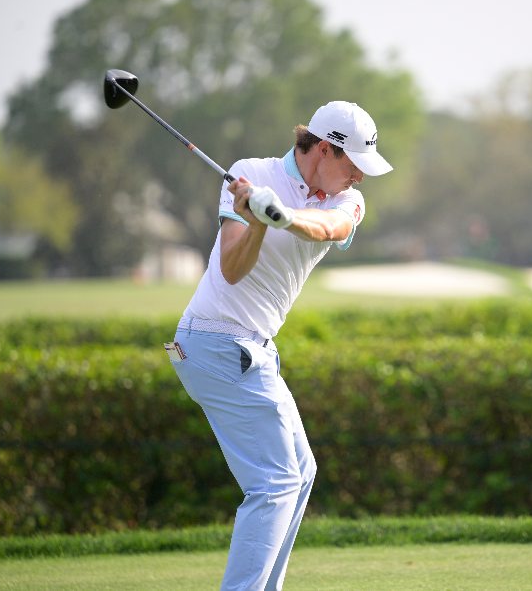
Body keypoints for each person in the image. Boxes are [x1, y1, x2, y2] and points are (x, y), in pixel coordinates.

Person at [166, 101, 393, 590]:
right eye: (353, 164)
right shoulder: (251, 173)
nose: (359, 177)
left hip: (251, 348)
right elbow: (231, 268)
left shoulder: (345, 201)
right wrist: (257, 220)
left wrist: (285, 217)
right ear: (327, 150)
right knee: (275, 482)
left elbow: (332, 228)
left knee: (301, 471)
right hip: (214, 341)